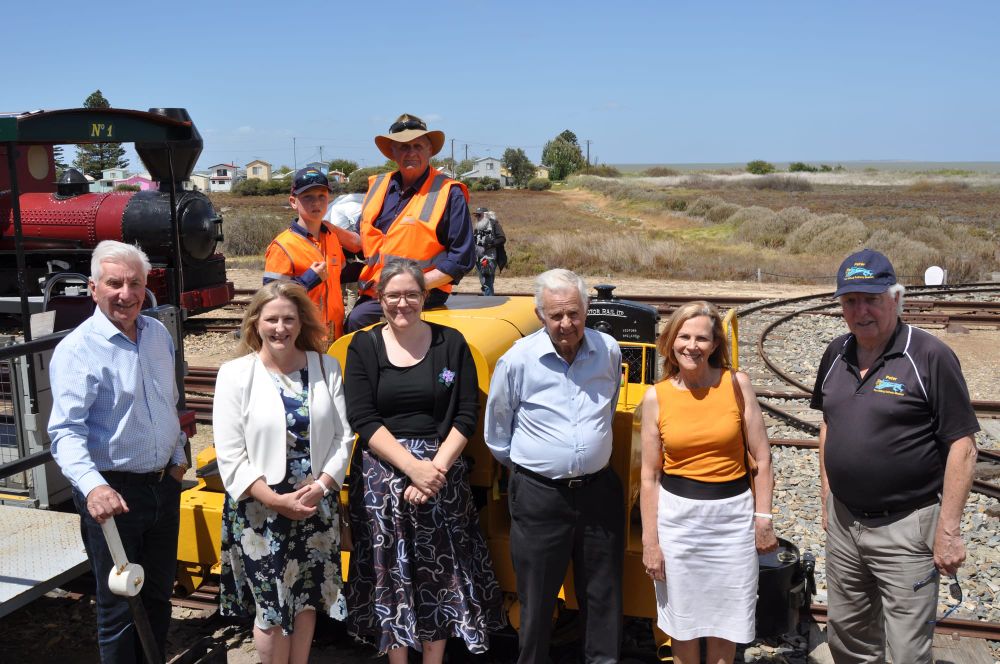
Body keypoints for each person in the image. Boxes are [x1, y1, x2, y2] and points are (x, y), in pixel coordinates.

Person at [811, 249, 979, 664]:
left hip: (906, 526)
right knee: (848, 638)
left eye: (872, 298)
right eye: (851, 301)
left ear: (895, 298)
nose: (861, 310)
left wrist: (949, 531)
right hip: (845, 521)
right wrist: (827, 495)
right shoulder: (837, 353)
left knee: (906, 650)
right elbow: (828, 423)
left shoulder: (928, 356)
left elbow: (963, 445)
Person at [343, 259, 504, 662]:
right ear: (379, 299)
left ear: (424, 297)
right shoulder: (364, 345)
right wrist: (411, 467)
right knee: (390, 571)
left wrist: (434, 471)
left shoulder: (450, 343)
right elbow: (363, 417)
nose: (403, 303)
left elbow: (466, 414)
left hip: (440, 467)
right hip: (383, 468)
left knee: (441, 570)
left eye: (411, 294)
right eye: (393, 295)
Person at [48, 240, 188, 663]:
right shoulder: (78, 350)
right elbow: (65, 433)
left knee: (158, 596)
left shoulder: (157, 334)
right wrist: (94, 489)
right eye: (114, 284)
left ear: (146, 287)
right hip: (114, 498)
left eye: (135, 283)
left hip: (164, 487)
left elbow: (168, 403)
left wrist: (179, 456)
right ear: (93, 288)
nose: (125, 294)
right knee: (119, 609)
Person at [484, 268, 624, 664]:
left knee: (603, 597)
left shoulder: (608, 350)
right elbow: (498, 433)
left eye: (574, 314)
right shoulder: (517, 361)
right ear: (540, 314)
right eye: (556, 315)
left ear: (587, 309)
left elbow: (608, 407)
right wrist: (540, 469)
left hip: (599, 491)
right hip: (539, 497)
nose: (567, 324)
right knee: (537, 600)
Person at [213, 280, 354, 664]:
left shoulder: (326, 366)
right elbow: (230, 455)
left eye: (288, 319)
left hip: (313, 504)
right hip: (260, 511)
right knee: (271, 610)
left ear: (301, 322)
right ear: (255, 322)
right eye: (272, 319)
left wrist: (324, 485)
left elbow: (344, 436)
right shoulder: (235, 374)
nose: (281, 328)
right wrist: (276, 500)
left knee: (306, 600)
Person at [638, 301, 778, 664]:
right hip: (678, 521)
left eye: (701, 338)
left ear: (715, 344)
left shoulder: (736, 385)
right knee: (683, 627)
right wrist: (650, 541)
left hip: (731, 520)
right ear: (670, 342)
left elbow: (761, 459)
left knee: (725, 624)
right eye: (683, 336)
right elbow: (650, 475)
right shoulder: (657, 396)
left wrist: (763, 519)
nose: (692, 346)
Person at [345, 114, 475, 332]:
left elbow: (462, 258)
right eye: (403, 147)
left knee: (358, 321)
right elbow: (361, 242)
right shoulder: (378, 187)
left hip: (425, 290)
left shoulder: (449, 192)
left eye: (418, 146)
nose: (411, 153)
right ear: (393, 152)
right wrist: (323, 227)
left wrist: (412, 285)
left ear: (430, 150)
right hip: (376, 289)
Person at [264, 167, 361, 341]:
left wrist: (370, 271)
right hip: (302, 338)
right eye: (307, 197)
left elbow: (338, 274)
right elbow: (270, 300)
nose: (316, 203)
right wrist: (308, 280)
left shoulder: (331, 237)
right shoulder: (283, 246)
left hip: (335, 333)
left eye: (321, 196)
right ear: (293, 202)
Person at [473, 207, 507, 296]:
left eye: (479, 215)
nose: (477, 217)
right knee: (484, 282)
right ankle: (489, 299)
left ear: (486, 215)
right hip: (478, 258)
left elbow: (502, 239)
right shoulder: (477, 226)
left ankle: (488, 301)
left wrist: (491, 243)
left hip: (489, 257)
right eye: (476, 215)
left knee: (487, 281)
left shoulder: (494, 224)